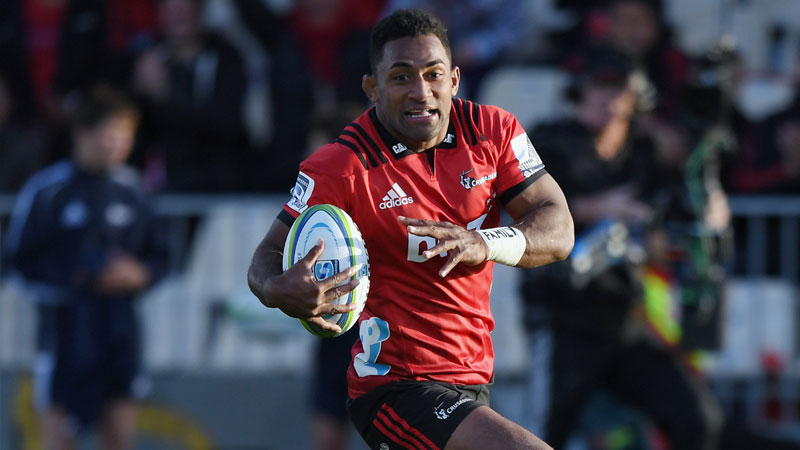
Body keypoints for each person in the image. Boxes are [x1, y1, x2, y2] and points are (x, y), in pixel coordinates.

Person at [247, 8, 574, 450]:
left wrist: (483, 241)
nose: (421, 91)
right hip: (396, 389)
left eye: (433, 74)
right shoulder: (342, 166)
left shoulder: (493, 132)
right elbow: (266, 256)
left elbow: (558, 228)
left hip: (472, 382)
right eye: (401, 77)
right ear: (372, 88)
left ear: (454, 80)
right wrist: (277, 288)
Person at [2, 85, 167, 450]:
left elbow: (159, 258)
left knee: (120, 437)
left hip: (119, 334)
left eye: (125, 135)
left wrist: (138, 275)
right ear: (82, 133)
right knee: (58, 438)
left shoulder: (134, 190)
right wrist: (75, 279)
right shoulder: (47, 190)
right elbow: (18, 261)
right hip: (64, 336)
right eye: (109, 134)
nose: (118, 145)